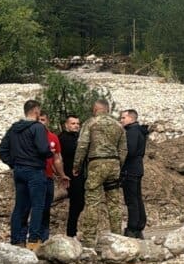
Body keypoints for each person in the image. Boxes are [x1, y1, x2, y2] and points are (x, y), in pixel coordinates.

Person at [0, 99, 54, 250]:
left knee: (20, 206)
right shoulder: (38, 127)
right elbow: (43, 149)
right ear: (36, 111)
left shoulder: (14, 128)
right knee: (38, 205)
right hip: (35, 170)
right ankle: (33, 240)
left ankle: (17, 240)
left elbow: (2, 150)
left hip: (19, 171)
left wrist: (13, 164)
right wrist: (50, 153)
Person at [73, 99, 127, 242]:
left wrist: (77, 166)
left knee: (92, 202)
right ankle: (118, 238)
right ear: (108, 109)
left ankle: (89, 240)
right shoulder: (118, 125)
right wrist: (118, 165)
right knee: (114, 202)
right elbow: (123, 149)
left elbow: (82, 145)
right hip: (114, 165)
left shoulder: (90, 123)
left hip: (96, 164)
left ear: (95, 109)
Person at [37, 112, 68, 242]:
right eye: (39, 120)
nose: (41, 122)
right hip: (34, 176)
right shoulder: (30, 136)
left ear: (48, 121)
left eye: (43, 120)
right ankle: (30, 237)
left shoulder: (53, 137)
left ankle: (44, 237)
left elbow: (57, 159)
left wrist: (62, 175)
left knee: (45, 208)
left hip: (48, 176)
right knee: (33, 207)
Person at [119, 108, 149, 239]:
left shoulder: (131, 132)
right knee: (137, 198)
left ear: (131, 118)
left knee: (131, 200)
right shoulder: (139, 131)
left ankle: (132, 228)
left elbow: (129, 151)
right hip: (137, 168)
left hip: (130, 169)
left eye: (123, 118)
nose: (121, 120)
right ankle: (139, 225)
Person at [58, 114, 86, 239]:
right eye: (73, 123)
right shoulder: (63, 138)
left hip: (80, 175)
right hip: (70, 176)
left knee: (79, 203)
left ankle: (72, 231)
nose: (76, 126)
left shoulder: (78, 137)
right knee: (76, 203)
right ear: (66, 125)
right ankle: (71, 232)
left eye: (78, 124)